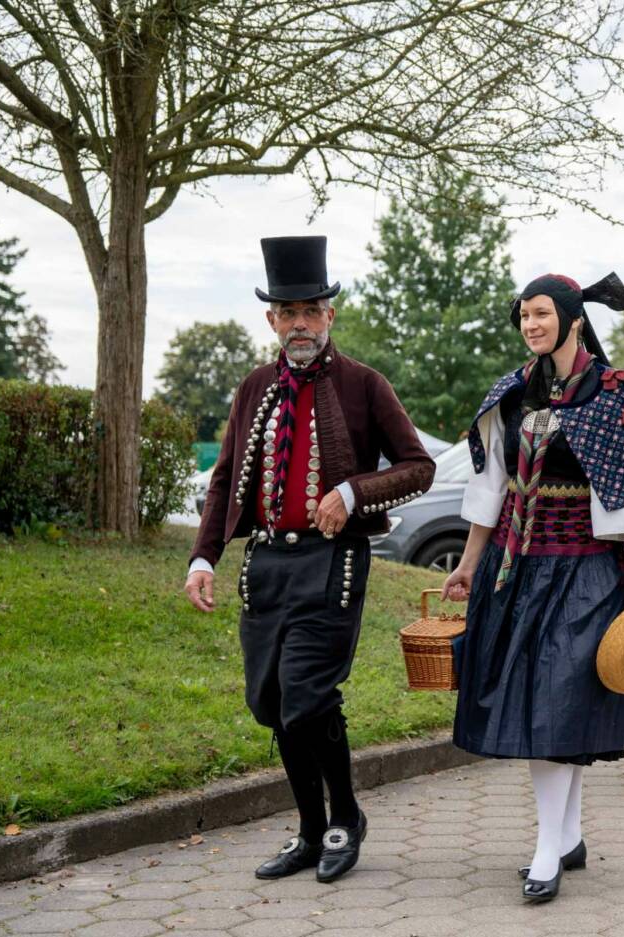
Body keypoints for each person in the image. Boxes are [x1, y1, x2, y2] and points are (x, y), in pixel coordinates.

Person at [184, 236, 435, 882]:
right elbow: (224, 479)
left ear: (331, 315)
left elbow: (419, 468)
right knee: (270, 702)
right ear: (271, 319)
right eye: (288, 312)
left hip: (334, 565)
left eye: (312, 310)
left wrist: (353, 492)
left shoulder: (363, 385)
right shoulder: (253, 389)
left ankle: (342, 819)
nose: (300, 324)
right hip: (267, 567)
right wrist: (204, 556)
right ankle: (307, 830)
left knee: (305, 696)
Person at [442, 272, 624, 904]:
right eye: (523, 317)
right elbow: (490, 490)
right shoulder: (512, 394)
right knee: (546, 704)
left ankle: (547, 848)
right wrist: (466, 565)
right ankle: (566, 835)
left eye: (541, 314)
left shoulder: (614, 394)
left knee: (560, 699)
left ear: (573, 318)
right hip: (518, 565)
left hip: (588, 569)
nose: (530, 325)